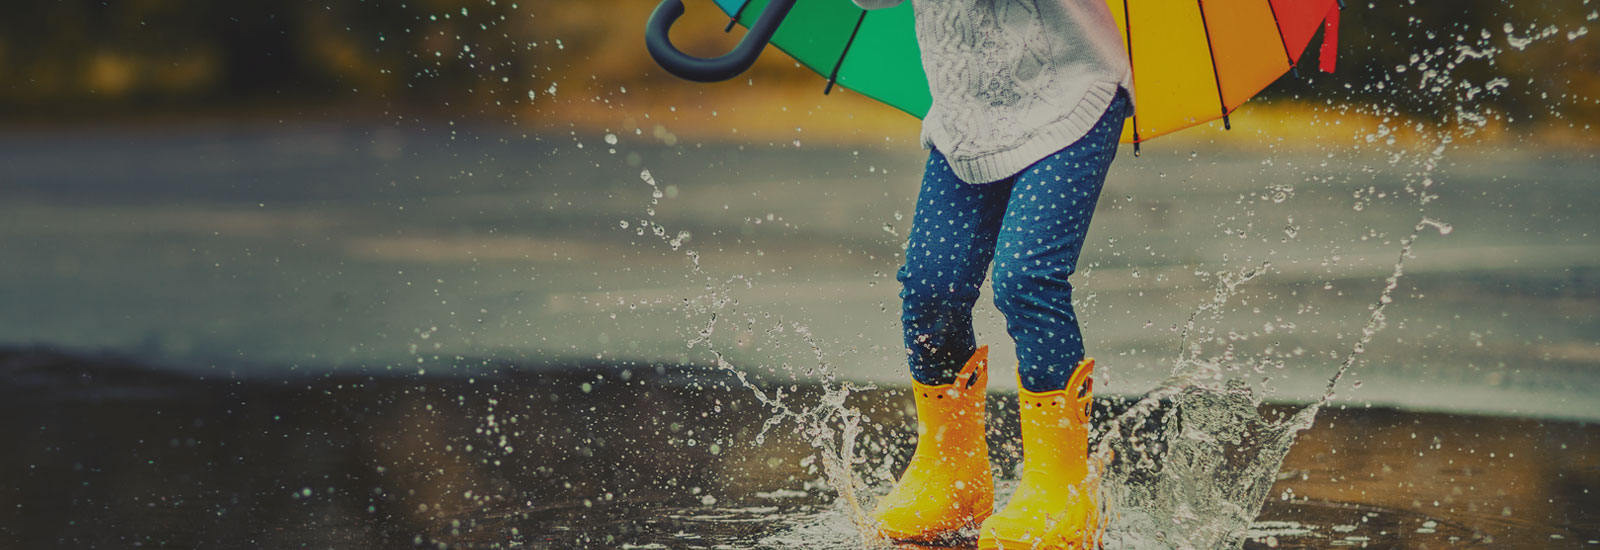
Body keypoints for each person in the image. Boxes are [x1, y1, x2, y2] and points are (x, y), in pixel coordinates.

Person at [851, 0, 1133, 548]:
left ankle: (1062, 490)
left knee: (1026, 279)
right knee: (932, 287)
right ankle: (951, 476)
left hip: (1070, 94)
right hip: (968, 118)